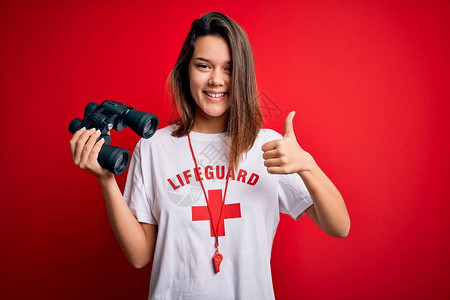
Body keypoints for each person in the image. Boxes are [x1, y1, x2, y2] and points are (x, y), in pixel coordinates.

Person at [69, 11, 350, 300]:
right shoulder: (154, 147)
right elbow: (140, 255)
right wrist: (106, 181)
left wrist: (308, 165)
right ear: (185, 71)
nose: (217, 80)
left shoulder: (269, 146)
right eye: (203, 65)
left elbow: (339, 226)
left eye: (229, 68)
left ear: (242, 75)